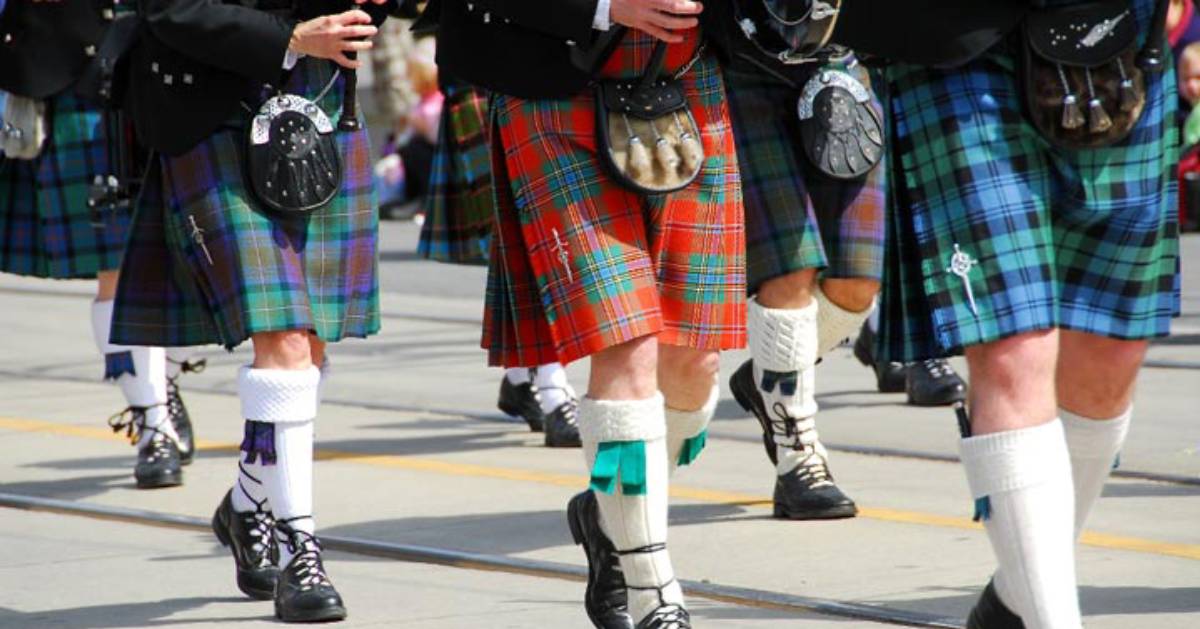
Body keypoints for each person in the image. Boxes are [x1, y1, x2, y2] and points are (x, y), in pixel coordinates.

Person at [840, 0, 1179, 626]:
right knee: (1013, 347)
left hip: (1118, 28)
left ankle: (1019, 599)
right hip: (955, 41)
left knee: (1112, 350)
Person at [437, 0, 744, 625]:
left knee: (694, 364)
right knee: (627, 343)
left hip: (689, 84)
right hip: (554, 83)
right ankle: (651, 585)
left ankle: (609, 519)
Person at [110, 0, 396, 621]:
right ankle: (302, 551)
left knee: (310, 348)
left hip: (322, 108)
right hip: (212, 111)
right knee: (286, 339)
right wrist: (291, 39)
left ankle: (247, 504)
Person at [0, 0, 200, 490]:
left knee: (195, 259)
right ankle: (152, 422)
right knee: (118, 264)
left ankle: (159, 380)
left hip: (169, 63)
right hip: (70, 71)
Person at [701, 3, 884, 520]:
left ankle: (766, 375)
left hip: (839, 63)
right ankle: (799, 459)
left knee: (857, 286)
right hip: (740, 62)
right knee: (789, 269)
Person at [415, 71, 582, 447]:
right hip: (483, 71)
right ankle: (553, 395)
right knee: (531, 241)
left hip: (548, 73)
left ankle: (522, 380)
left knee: (530, 240)